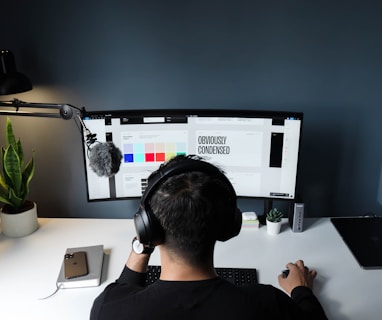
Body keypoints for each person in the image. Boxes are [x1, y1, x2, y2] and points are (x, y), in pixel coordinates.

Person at [90, 155, 327, 320]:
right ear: (229, 226)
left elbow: (122, 289)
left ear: (147, 229)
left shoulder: (109, 308)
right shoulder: (267, 304)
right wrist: (301, 290)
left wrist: (143, 242)